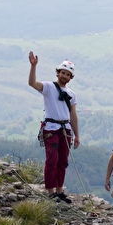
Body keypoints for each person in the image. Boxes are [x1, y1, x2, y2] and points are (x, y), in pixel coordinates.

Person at [27, 51, 80, 202]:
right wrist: (33, 66)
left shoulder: (72, 94)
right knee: (52, 159)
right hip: (51, 128)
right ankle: (51, 192)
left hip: (65, 129)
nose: (64, 76)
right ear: (58, 73)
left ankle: (59, 190)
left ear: (70, 77)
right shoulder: (49, 87)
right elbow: (32, 83)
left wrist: (77, 135)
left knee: (63, 160)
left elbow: (73, 115)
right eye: (63, 73)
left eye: (67, 74)